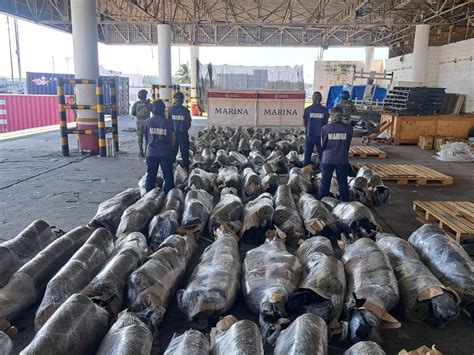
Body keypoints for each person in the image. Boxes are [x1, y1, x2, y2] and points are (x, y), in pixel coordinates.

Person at [317, 106, 353, 202]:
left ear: (331, 116)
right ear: (342, 116)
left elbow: (322, 145)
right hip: (342, 159)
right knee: (343, 183)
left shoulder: (325, 128)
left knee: (325, 183)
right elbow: (347, 144)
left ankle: (321, 203)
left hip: (328, 159)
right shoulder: (348, 129)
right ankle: (345, 203)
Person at [142, 100, 175, 194]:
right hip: (165, 152)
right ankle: (170, 198)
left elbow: (146, 137)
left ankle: (148, 198)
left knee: (151, 176)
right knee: (168, 176)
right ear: (164, 110)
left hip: (151, 152)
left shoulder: (146, 122)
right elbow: (172, 138)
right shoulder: (168, 123)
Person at [303, 91, 329, 165]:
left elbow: (304, 123)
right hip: (321, 137)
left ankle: (305, 172)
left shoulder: (307, 109)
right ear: (320, 99)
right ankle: (322, 172)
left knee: (307, 155)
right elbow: (326, 124)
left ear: (312, 99)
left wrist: (309, 128)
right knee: (321, 155)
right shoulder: (325, 110)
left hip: (310, 135)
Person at [168, 91, 192, 170]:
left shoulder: (170, 110)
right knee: (184, 152)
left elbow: (168, 122)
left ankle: (170, 168)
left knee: (172, 151)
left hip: (173, 134)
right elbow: (188, 124)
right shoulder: (186, 111)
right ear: (182, 100)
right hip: (183, 134)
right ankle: (186, 168)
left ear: (175, 100)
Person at [131, 89, 152, 157]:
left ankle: (141, 152)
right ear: (145, 96)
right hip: (147, 123)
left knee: (140, 138)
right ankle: (146, 152)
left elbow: (133, 113)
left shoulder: (136, 104)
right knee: (147, 138)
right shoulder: (149, 104)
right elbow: (154, 111)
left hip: (139, 123)